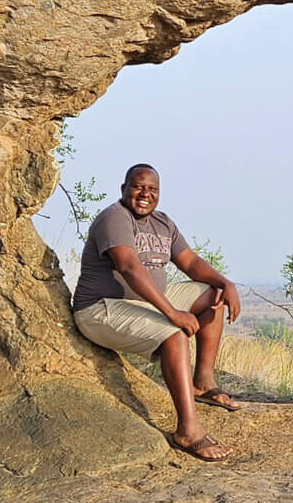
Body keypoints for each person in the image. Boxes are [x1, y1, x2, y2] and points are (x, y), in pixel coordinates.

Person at [72, 163, 242, 461]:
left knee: (212, 296)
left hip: (148, 301)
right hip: (102, 308)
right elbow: (129, 267)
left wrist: (225, 283)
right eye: (138, 187)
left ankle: (202, 382)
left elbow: (189, 263)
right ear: (123, 189)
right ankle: (188, 431)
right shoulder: (115, 218)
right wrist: (172, 314)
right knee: (173, 334)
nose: (145, 194)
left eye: (152, 189)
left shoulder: (163, 223)